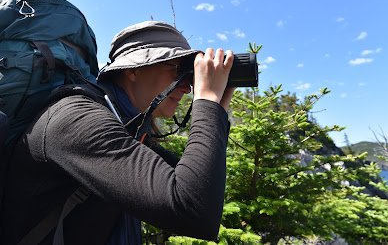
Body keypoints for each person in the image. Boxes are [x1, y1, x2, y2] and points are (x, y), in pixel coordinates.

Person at [2, 21, 234, 244]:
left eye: (189, 75)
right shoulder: (77, 119)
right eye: (177, 70)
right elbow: (193, 210)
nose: (187, 87)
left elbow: (202, 186)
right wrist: (207, 101)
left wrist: (218, 107)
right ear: (132, 70)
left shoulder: (128, 127)